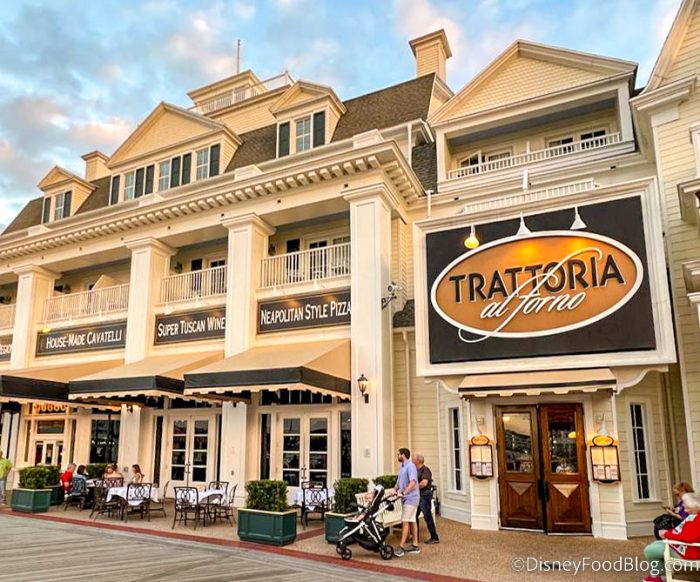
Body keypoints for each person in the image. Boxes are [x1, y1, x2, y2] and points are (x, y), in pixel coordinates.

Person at [643, 492, 700, 582]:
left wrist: (666, 534)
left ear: (694, 506)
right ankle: (659, 574)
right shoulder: (694, 516)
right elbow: (681, 532)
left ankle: (659, 576)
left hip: (690, 551)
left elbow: (688, 538)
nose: (685, 510)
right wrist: (668, 533)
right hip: (687, 547)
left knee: (650, 550)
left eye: (687, 507)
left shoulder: (697, 519)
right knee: (655, 544)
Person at [394, 448, 420, 557]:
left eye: (398, 454)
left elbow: (413, 482)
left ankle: (401, 547)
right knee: (412, 520)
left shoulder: (411, 466)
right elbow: (399, 481)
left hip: (411, 498)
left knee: (405, 521)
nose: (397, 456)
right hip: (407, 498)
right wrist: (395, 490)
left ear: (403, 455)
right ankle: (415, 545)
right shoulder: (402, 467)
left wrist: (404, 493)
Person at [414, 453, 439, 544]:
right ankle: (415, 537)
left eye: (414, 459)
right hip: (418, 496)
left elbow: (424, 483)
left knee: (427, 516)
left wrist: (413, 487)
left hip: (424, 495)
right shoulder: (415, 470)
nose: (412, 460)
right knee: (414, 516)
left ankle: (434, 537)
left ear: (418, 461)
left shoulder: (425, 470)